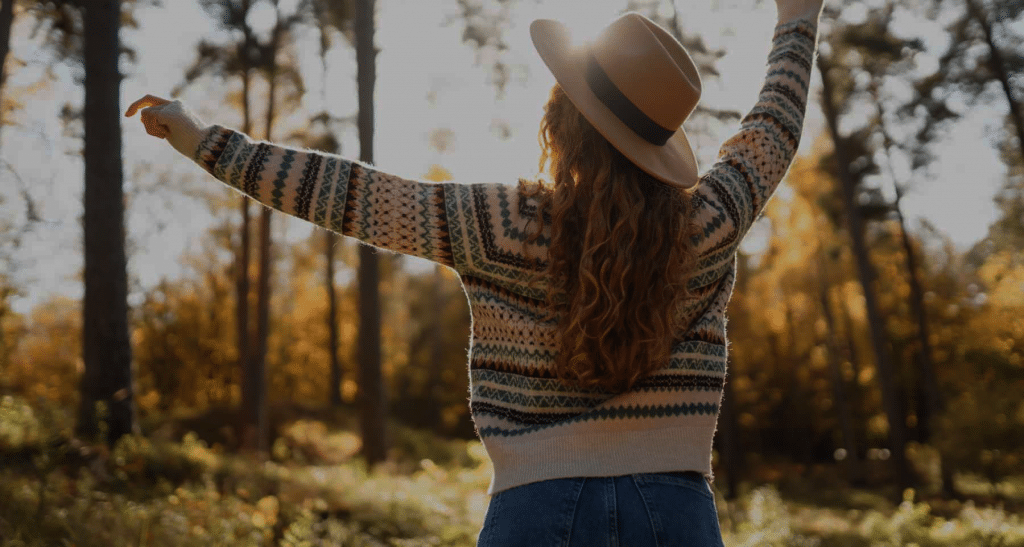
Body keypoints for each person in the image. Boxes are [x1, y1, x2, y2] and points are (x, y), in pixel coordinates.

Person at [127, 0, 822, 544]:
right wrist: (797, 20)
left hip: (534, 509)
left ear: (561, 122)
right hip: (677, 513)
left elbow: (346, 193)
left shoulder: (499, 224)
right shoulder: (708, 224)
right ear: (659, 141)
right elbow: (773, 130)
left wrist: (201, 139)